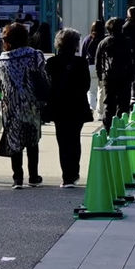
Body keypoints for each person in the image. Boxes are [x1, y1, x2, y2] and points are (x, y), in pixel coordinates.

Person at [0, 22, 50, 189]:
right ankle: (33, 176)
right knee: (32, 141)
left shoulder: (1, 61)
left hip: (10, 106)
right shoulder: (35, 55)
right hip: (32, 104)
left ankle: (17, 178)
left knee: (14, 141)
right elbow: (44, 77)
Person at [46, 28, 92, 188]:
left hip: (59, 106)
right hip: (77, 106)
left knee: (63, 140)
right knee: (75, 139)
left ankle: (66, 176)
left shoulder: (51, 63)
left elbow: (48, 86)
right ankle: (74, 173)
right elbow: (86, 85)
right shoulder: (81, 62)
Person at [96, 17, 133, 132]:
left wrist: (100, 76)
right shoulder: (127, 41)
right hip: (125, 77)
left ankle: (108, 128)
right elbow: (132, 60)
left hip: (109, 77)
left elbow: (98, 61)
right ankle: (121, 127)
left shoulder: (103, 42)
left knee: (109, 104)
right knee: (123, 104)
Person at [81, 19, 105, 117]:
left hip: (90, 66)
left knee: (91, 91)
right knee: (101, 90)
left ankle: (92, 107)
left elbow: (82, 55)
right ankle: (100, 113)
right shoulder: (104, 39)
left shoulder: (87, 39)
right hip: (102, 67)